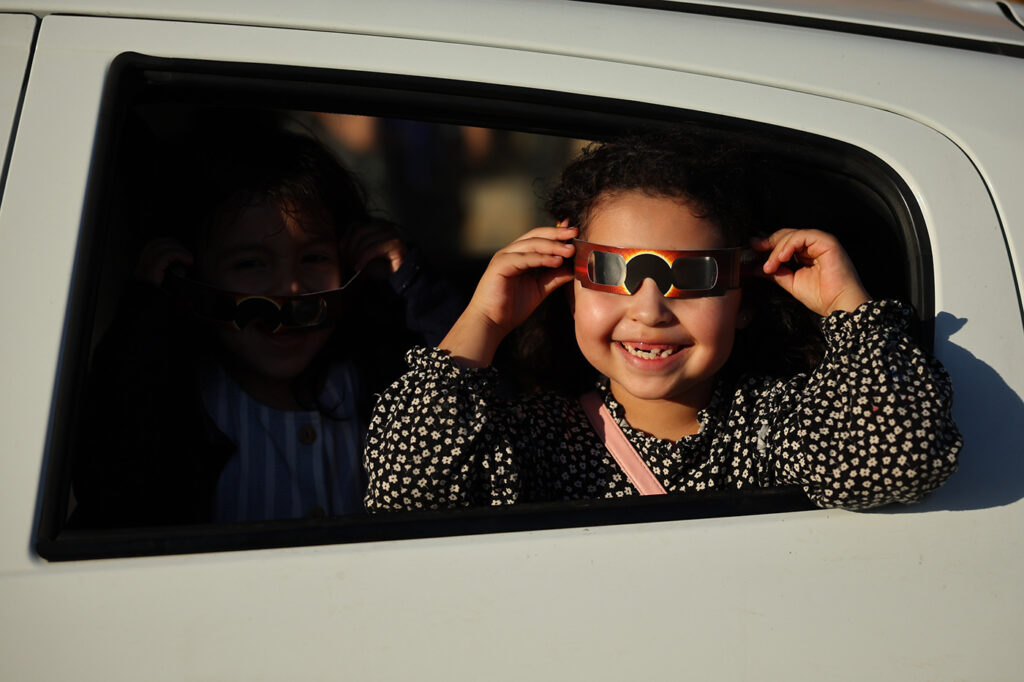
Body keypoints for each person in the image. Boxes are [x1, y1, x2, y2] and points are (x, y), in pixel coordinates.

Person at [363, 131, 961, 511]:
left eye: (694, 278)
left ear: (745, 299)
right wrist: (484, 319)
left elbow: (896, 464)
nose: (649, 310)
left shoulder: (774, 425)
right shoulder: (533, 436)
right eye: (613, 274)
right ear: (569, 290)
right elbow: (405, 493)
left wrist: (847, 310)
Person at [71, 114, 462, 527]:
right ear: (189, 276)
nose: (290, 288)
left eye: (313, 257)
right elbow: (109, 473)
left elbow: (470, 402)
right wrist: (147, 315)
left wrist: (410, 285)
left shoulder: (377, 376)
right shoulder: (177, 401)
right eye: (250, 263)